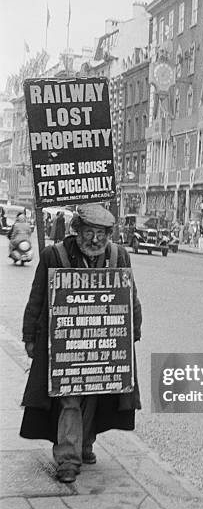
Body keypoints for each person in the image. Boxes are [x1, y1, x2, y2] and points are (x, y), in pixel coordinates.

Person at [20, 203, 142, 483]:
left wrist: (133, 330)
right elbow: (37, 299)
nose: (95, 240)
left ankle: (85, 444)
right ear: (76, 230)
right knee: (70, 398)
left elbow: (130, 295)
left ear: (109, 234)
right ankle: (67, 458)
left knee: (96, 396)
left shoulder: (118, 255)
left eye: (101, 233)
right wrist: (29, 337)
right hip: (66, 348)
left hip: (104, 346)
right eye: (89, 232)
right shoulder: (54, 255)